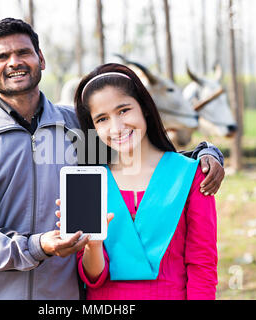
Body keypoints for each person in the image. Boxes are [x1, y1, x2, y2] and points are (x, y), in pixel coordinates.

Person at [0, 18, 223, 300]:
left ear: (41, 59)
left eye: (24, 53)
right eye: (1, 56)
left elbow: (137, 154)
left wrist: (205, 155)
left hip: (62, 296)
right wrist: (37, 246)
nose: (14, 62)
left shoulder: (77, 127)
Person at [63, 63, 218, 300]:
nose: (116, 127)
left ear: (144, 108)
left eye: (124, 110)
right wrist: (92, 246)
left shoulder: (190, 174)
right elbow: (93, 278)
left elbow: (202, 265)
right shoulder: (86, 181)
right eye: (102, 119)